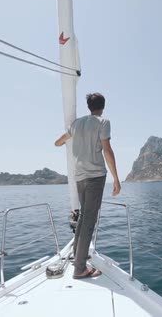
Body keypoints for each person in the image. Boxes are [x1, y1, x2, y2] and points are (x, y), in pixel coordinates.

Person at [55, 92, 121, 279]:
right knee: (89, 221)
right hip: (95, 177)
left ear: (89, 107)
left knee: (83, 217)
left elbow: (59, 141)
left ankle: (78, 255)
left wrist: (60, 142)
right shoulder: (103, 122)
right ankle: (80, 269)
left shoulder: (76, 124)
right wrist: (116, 179)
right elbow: (107, 150)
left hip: (80, 177)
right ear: (103, 106)